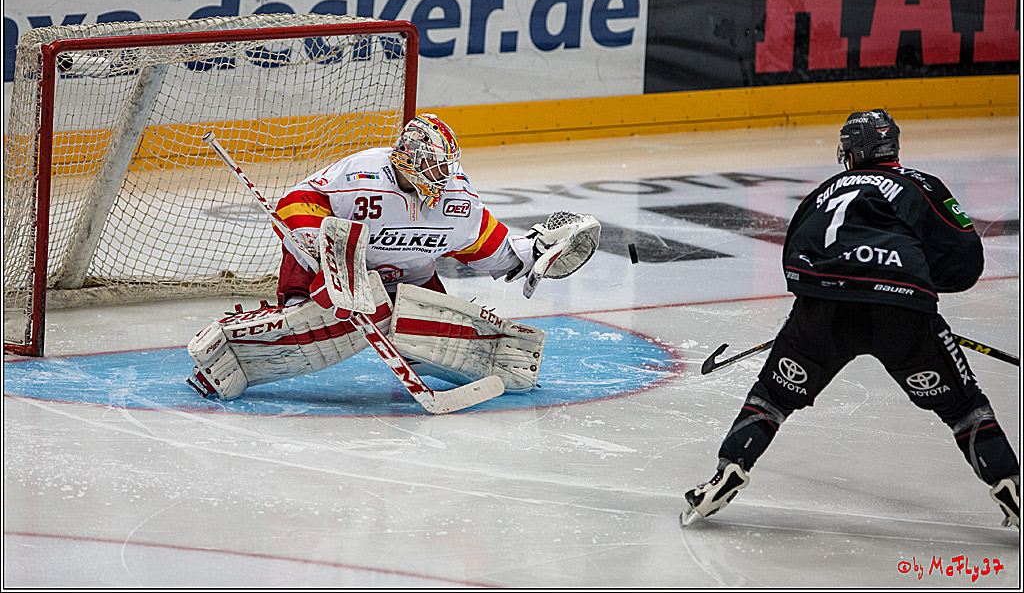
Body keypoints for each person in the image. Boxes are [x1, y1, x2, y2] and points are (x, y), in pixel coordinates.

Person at [681, 109, 1020, 529]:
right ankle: (1008, 483)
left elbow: (794, 257)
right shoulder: (922, 184)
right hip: (901, 312)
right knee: (965, 408)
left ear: (855, 150)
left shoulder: (824, 190)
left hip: (824, 312)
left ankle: (729, 470)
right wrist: (915, 283)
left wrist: (821, 297)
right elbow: (965, 259)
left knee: (771, 397)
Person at [185, 114, 599, 401]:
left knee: (434, 334)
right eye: (434, 167)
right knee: (309, 325)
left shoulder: (456, 199)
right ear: (409, 159)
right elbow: (297, 201)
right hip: (339, 269)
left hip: (410, 279)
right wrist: (321, 248)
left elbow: (488, 247)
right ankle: (234, 352)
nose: (443, 176)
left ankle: (491, 362)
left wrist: (534, 254)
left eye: (445, 167)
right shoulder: (361, 175)